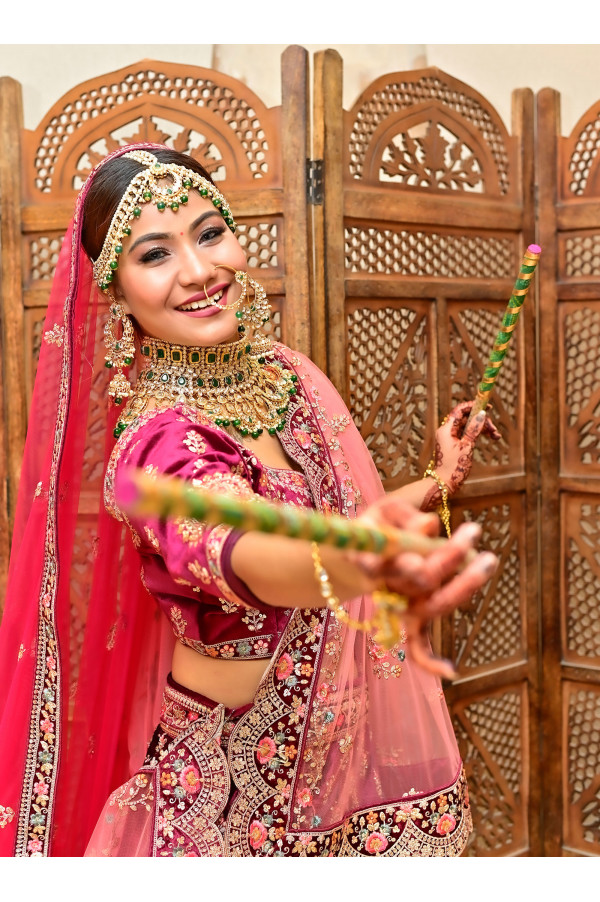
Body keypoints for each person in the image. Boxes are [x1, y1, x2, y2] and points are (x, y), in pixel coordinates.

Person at [0, 143, 499, 858]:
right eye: (154, 255)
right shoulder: (158, 446)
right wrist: (368, 563)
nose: (200, 271)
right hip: (230, 797)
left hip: (335, 764)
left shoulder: (286, 380)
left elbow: (331, 526)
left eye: (209, 233)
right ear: (115, 287)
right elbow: (249, 555)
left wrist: (438, 481)